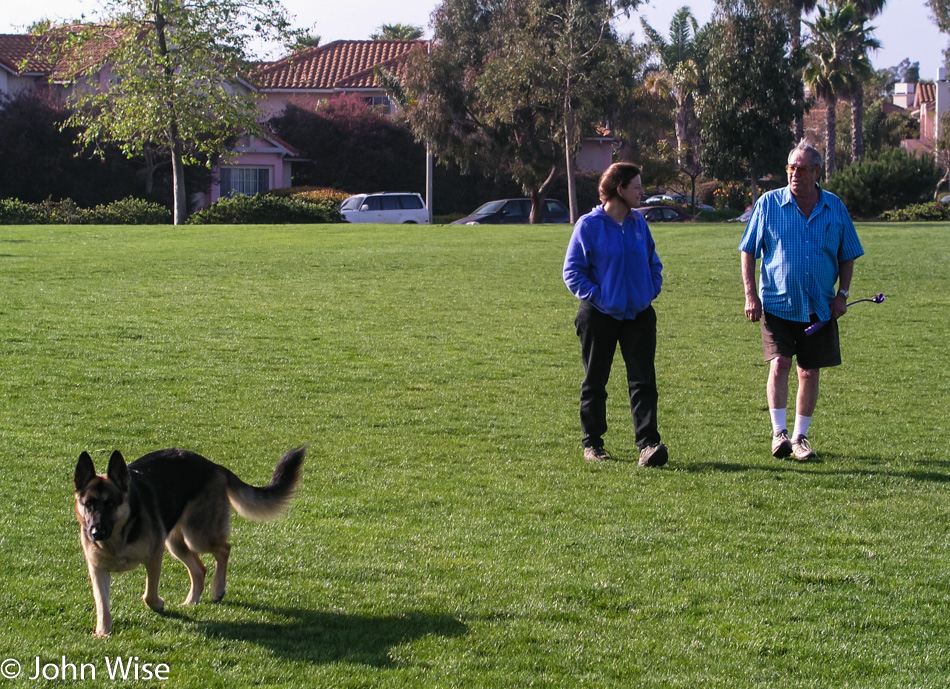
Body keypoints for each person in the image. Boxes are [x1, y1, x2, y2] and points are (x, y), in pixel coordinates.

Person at [739, 141, 864, 461]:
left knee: (809, 371)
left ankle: (799, 438)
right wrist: (750, 295)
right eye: (791, 168)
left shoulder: (834, 207)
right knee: (779, 363)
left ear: (817, 172)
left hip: (819, 307)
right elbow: (748, 250)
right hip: (778, 303)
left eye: (802, 168)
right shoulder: (768, 204)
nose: (795, 174)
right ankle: (778, 433)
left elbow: (848, 254)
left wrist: (843, 295)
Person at [563, 162, 667, 467]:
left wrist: (647, 293)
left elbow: (654, 265)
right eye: (636, 186)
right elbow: (572, 272)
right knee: (595, 381)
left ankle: (648, 445)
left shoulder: (639, 224)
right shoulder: (589, 225)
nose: (641, 191)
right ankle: (592, 444)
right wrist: (600, 297)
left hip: (639, 315)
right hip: (598, 316)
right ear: (619, 189)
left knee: (643, 381)